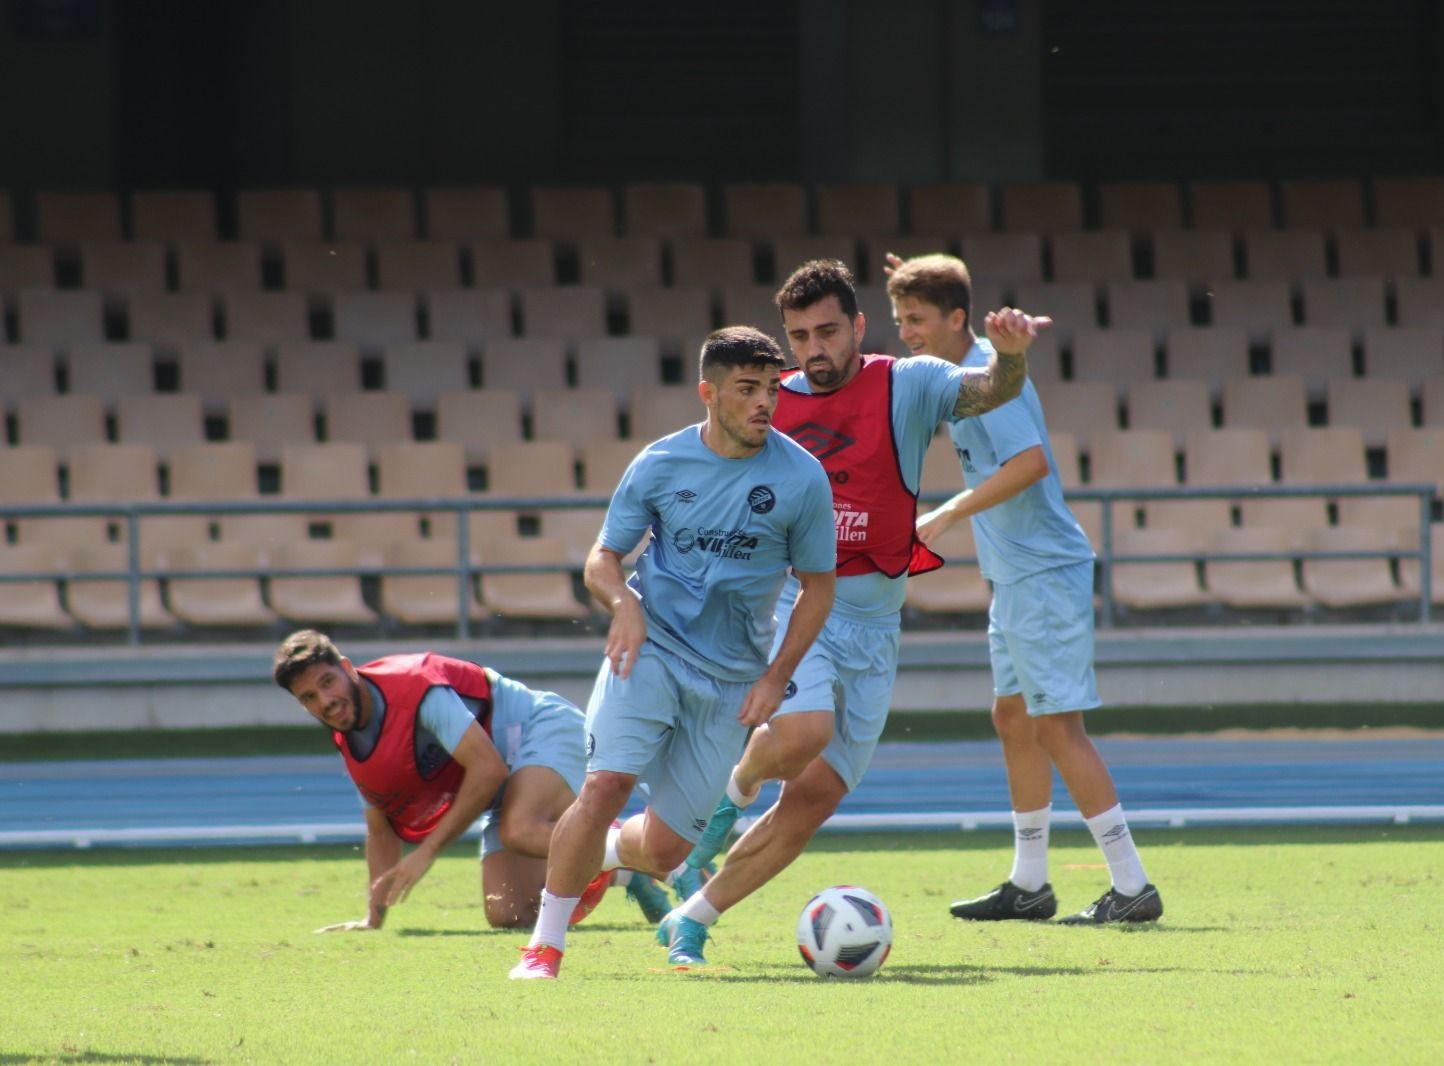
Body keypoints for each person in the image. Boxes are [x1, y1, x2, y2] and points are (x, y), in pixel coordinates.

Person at [655, 258, 1046, 965]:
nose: (814, 349)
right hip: (793, 603)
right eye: (799, 335)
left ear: (859, 327)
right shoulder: (763, 404)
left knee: (812, 802)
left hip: (874, 626)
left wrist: (1012, 359)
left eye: (828, 331)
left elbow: (991, 389)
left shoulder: (909, 381)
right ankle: (729, 798)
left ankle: (691, 918)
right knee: (804, 729)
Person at [509, 325, 837, 980]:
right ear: (707, 393)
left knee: (663, 853)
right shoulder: (659, 463)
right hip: (650, 649)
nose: (763, 404)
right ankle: (543, 947)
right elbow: (601, 560)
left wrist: (778, 677)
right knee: (605, 784)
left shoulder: (802, 479)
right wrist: (623, 605)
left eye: (771, 389)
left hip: (729, 681)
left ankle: (603, 855)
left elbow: (818, 589)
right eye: (746, 390)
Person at [887, 252, 1162, 924]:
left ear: (957, 318)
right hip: (1016, 577)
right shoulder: (962, 375)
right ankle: (1029, 884)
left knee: (1057, 728)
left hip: (1042, 573)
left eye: (917, 318)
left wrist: (947, 513)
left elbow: (1032, 463)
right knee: (1013, 720)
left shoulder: (986, 376)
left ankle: (1132, 888)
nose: (905, 332)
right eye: (898, 319)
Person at [271, 629, 668, 932]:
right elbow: (379, 830)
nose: (324, 702)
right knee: (507, 912)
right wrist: (372, 918)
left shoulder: (413, 685)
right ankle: (625, 870)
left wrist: (425, 853)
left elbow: (488, 769)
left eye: (327, 683)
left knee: (520, 829)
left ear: (346, 668)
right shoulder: (348, 741)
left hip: (539, 729)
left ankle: (658, 851)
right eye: (308, 698)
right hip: (502, 792)